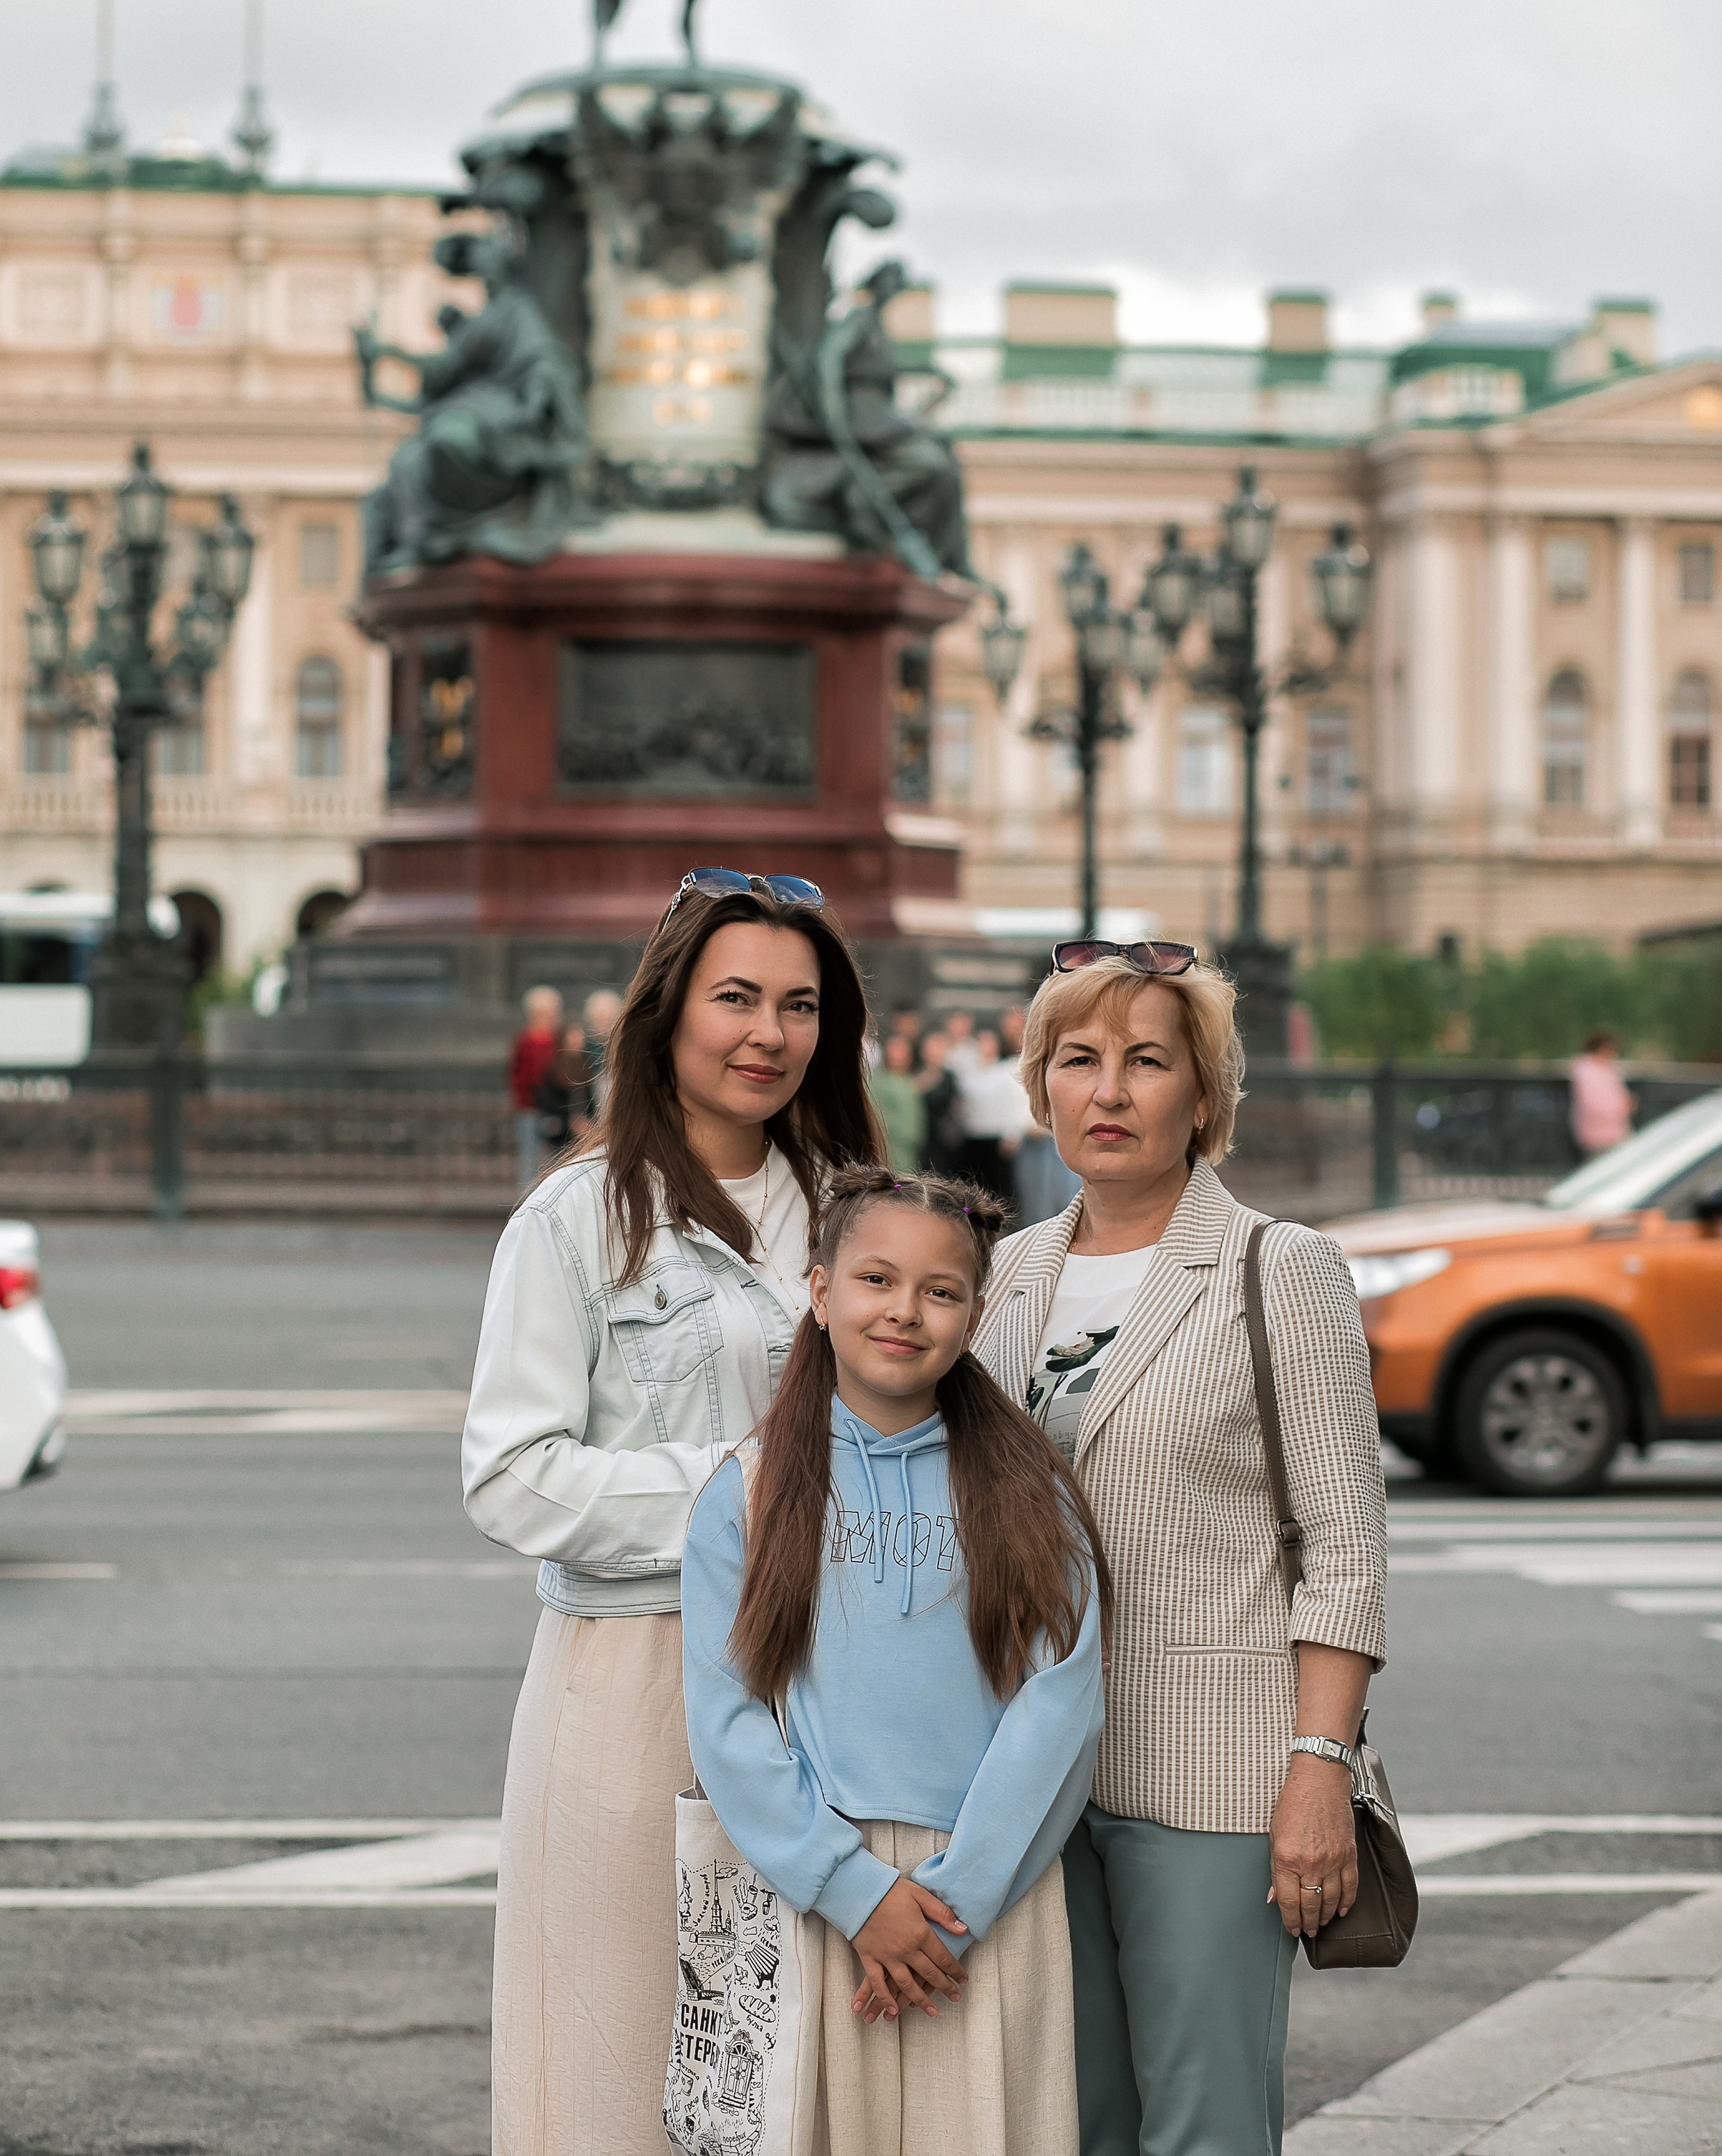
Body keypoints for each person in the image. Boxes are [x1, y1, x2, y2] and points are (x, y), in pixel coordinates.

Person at [463, 872, 882, 2156]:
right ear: (668, 1016)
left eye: (799, 1005)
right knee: (613, 2064)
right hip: (632, 1679)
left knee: (807, 2074)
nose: (768, 1033)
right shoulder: (577, 1222)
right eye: (737, 998)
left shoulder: (858, 1211)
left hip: (837, 1681)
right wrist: (744, 1499)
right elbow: (509, 1472)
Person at [972, 943, 1388, 2156]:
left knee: (1204, 2126)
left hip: (1212, 1775)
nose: (1107, 1091)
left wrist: (1321, 1768)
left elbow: (1344, 1548)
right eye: (1078, 1060)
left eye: (1146, 1062)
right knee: (1076, 2121)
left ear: (1202, 1097)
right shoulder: (1002, 1275)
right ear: (1041, 1086)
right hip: (1025, 1776)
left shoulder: (1280, 1268)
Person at [681, 1166, 1107, 2155]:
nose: (905, 1311)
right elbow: (728, 1721)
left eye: (941, 1291)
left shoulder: (1028, 1492)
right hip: (822, 1892)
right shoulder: (743, 1496)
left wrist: (951, 1906)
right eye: (876, 1280)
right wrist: (856, 1893)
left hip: (989, 1897)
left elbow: (1062, 1703)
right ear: (821, 1291)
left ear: (974, 1315)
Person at [1002, 1002, 1080, 1224]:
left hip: (1051, 1137)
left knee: (1060, 1196)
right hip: (1027, 1141)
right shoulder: (1011, 1065)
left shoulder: (1054, 1061)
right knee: (1032, 1198)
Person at [955, 1024, 1028, 1212]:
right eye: (982, 1042)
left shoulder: (1004, 1072)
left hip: (995, 1137)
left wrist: (1012, 1135)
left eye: (990, 1042)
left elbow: (1011, 1105)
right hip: (972, 1137)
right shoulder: (967, 1075)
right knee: (972, 1186)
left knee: (996, 1187)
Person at [507, 985, 562, 1193]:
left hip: (555, 1107)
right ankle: (526, 1202)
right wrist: (523, 1102)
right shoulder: (525, 1040)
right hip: (529, 1108)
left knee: (556, 1158)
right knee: (529, 1159)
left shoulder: (559, 1040)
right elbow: (516, 1073)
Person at [533, 1021, 595, 1155]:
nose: (577, 1041)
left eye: (580, 1037)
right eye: (573, 1037)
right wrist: (570, 1120)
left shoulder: (586, 1066)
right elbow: (547, 1100)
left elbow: (589, 1099)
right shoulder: (554, 1068)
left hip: (581, 1132)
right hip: (559, 1131)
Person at [869, 1029, 927, 1172]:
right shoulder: (879, 1083)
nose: (900, 1054)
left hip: (913, 1149)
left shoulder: (911, 1081)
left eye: (904, 1050)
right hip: (890, 1148)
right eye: (895, 1049)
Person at [1570, 1030, 1634, 1156]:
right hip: (1597, 1135)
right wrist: (1619, 1109)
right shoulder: (1586, 1072)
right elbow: (1590, 1104)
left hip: (1615, 1133)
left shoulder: (1610, 1069)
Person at [917, 1028, 964, 1175]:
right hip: (922, 1135)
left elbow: (952, 1103)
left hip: (944, 1138)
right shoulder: (916, 1075)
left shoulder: (950, 1077)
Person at [582, 984, 622, 1114]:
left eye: (607, 1019)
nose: (603, 1024)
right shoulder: (584, 1047)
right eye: (599, 1018)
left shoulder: (622, 1046)